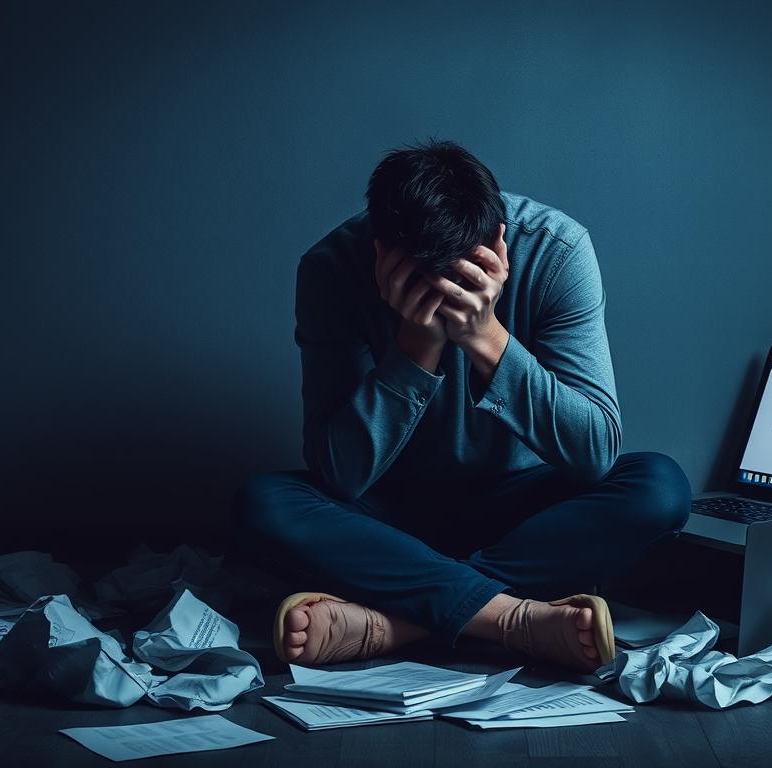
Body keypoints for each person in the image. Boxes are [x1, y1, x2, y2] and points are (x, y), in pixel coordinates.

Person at [233, 139, 690, 672]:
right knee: (262, 502)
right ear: (381, 252)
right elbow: (341, 476)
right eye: (427, 279)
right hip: (389, 515)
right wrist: (415, 348)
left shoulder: (557, 250)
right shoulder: (331, 268)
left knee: (659, 487)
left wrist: (486, 337)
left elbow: (593, 452)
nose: (448, 292)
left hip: (521, 511)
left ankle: (395, 622)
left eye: (465, 271)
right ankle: (512, 618)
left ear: (497, 241)